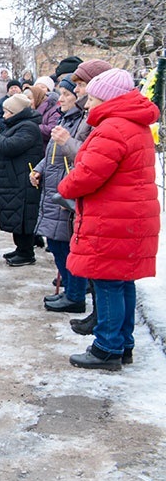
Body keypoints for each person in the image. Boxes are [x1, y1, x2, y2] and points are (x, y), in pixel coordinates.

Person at [59, 69, 159, 370]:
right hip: (128, 217)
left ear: (106, 98)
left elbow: (88, 175)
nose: (86, 104)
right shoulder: (132, 124)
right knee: (121, 282)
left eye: (92, 97)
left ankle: (107, 347)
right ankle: (122, 344)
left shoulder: (112, 127)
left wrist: (64, 186)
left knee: (107, 284)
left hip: (112, 219)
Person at [30, 81, 88, 313]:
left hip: (66, 191)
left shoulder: (82, 122)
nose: (60, 99)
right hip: (54, 189)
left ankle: (76, 295)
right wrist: (39, 169)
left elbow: (82, 154)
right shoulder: (65, 119)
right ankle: (70, 290)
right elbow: (52, 154)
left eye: (66, 94)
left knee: (65, 244)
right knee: (55, 242)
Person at [0, 93, 44, 266]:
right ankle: (21, 249)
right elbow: (3, 147)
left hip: (23, 180)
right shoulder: (17, 125)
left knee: (23, 217)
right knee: (15, 216)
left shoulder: (28, 128)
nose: (3, 116)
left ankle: (27, 252)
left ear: (16, 112)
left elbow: (10, 146)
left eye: (7, 112)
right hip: (14, 179)